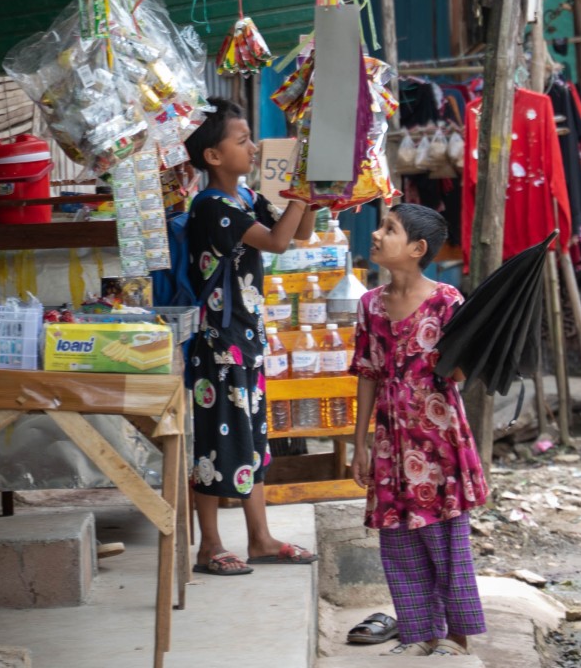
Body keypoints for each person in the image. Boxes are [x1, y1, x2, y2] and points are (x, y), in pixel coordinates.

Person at [183, 97, 319, 575]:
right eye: (242, 141)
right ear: (214, 157)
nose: (254, 147)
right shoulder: (213, 206)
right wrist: (300, 194)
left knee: (252, 441)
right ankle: (209, 545)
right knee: (215, 444)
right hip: (219, 343)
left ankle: (260, 538)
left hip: (246, 338)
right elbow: (277, 241)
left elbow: (299, 232)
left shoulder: (243, 199)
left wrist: (310, 192)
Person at [349, 203, 490, 656]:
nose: (375, 234)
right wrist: (361, 445)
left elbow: (463, 374)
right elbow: (368, 374)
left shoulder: (448, 302)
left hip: (440, 441)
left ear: (417, 249)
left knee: (446, 537)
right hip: (391, 442)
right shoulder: (369, 305)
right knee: (399, 537)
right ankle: (423, 633)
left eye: (389, 229)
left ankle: (457, 635)